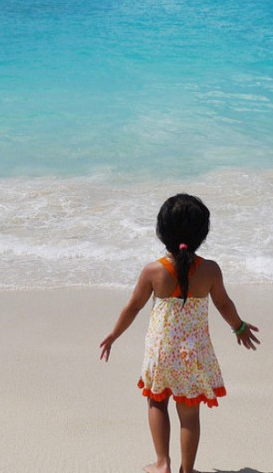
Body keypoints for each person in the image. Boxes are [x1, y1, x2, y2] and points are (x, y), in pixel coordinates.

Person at [99, 194, 260, 473]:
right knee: (189, 415)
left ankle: (162, 463)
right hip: (193, 355)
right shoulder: (209, 270)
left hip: (161, 353)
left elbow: (133, 307)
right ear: (202, 234)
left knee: (157, 402)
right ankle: (188, 470)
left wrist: (114, 335)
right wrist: (239, 327)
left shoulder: (153, 271)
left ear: (162, 232)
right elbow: (224, 304)